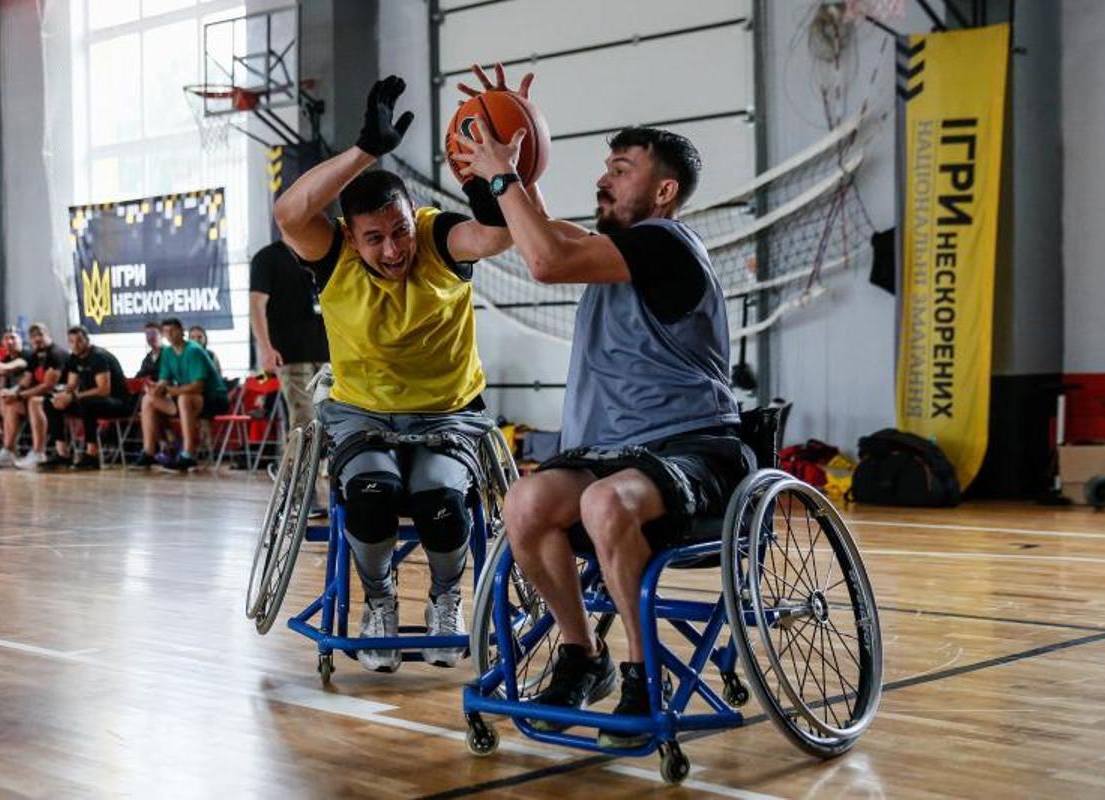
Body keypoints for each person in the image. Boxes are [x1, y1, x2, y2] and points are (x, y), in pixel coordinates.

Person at [454, 110, 752, 747]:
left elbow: (545, 260)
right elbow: (538, 235)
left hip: (697, 450)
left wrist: (510, 176)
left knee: (603, 500)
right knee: (526, 501)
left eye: (621, 170)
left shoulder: (664, 244)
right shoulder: (610, 251)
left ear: (663, 191)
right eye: (605, 168)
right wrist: (508, 158)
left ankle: (646, 676)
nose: (603, 180)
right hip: (617, 455)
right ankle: (582, 654)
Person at [272, 72, 527, 671]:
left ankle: (444, 597)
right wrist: (366, 151)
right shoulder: (331, 253)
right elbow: (289, 212)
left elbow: (494, 235)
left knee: (439, 501)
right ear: (351, 238)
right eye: (375, 239)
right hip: (364, 412)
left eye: (400, 231)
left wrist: (492, 171)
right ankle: (379, 599)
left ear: (416, 217)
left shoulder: (440, 238)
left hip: (447, 413)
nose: (392, 250)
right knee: (369, 495)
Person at [249, 239, 329, 434]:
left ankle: (322, 465)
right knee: (305, 420)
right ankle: (299, 465)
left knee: (329, 421)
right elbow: (256, 305)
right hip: (291, 354)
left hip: (327, 352)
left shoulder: (320, 250)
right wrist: (265, 348)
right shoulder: (268, 257)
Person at [133, 317, 229, 472]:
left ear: (181, 332)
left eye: (173, 331)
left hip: (213, 398)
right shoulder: (168, 353)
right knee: (148, 399)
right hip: (189, 398)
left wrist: (170, 391)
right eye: (166, 332)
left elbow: (198, 387)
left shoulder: (193, 350)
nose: (169, 334)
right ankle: (149, 451)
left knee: (184, 398)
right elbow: (164, 380)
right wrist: (155, 388)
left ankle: (188, 454)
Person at [40, 326, 134, 471]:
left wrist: (74, 397)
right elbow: (71, 384)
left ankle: (92, 455)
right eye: (71, 342)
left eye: (79, 341)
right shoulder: (74, 358)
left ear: (87, 340)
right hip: (91, 401)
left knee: (86, 403)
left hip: (118, 403)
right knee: (49, 402)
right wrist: (62, 395)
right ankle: (62, 453)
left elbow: (103, 390)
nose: (75, 345)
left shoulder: (98, 357)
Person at [0, 323, 68, 468]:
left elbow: (47, 386)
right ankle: (8, 450)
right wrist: (12, 393)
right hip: (42, 398)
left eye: (40, 335)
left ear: (48, 335)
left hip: (61, 396)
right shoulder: (35, 356)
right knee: (10, 403)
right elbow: (25, 382)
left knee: (34, 401)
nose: (37, 339)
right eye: (33, 337)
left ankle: (39, 452)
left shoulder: (55, 354)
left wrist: (20, 396)